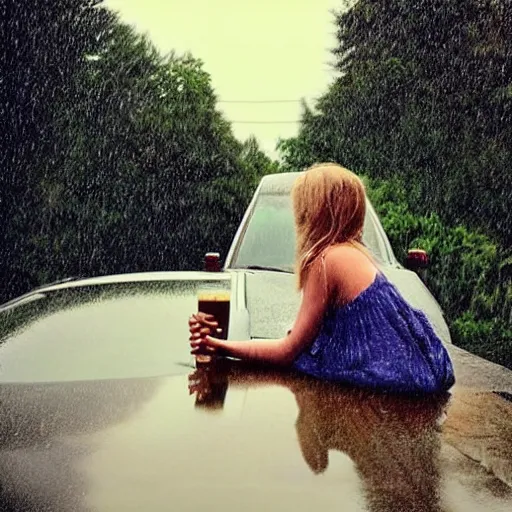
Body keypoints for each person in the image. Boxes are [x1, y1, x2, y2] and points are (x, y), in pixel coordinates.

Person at [189, 163, 455, 395]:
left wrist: (220, 345)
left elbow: (287, 352)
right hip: (423, 370)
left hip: (402, 382)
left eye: (302, 210)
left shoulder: (326, 262)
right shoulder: (355, 253)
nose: (298, 219)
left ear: (315, 213)